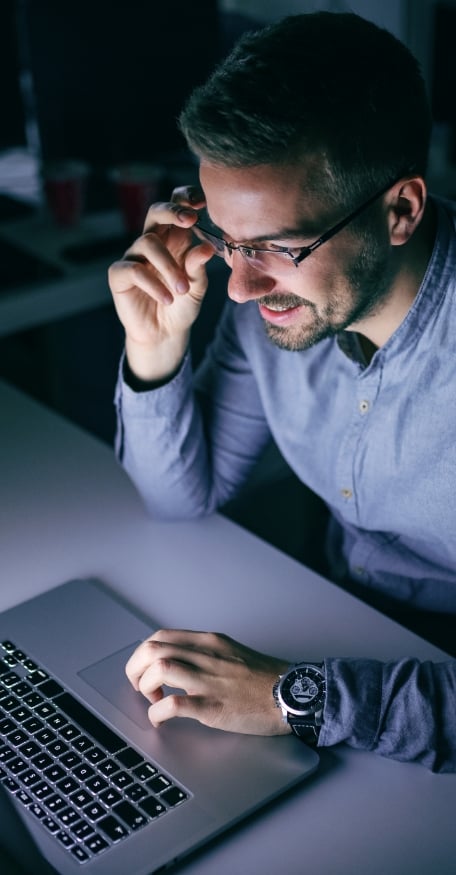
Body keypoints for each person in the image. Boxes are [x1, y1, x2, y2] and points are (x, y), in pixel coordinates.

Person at [108, 12, 456, 772]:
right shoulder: (281, 306)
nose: (237, 285)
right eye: (227, 240)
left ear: (400, 210)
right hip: (341, 618)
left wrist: (294, 698)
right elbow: (179, 497)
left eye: (276, 247)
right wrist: (155, 347)